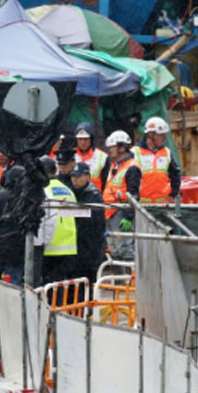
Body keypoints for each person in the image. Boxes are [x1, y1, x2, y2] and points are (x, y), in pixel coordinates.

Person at [38, 156, 78, 285]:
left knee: (48, 286)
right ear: (55, 170)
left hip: (49, 245)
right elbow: (77, 215)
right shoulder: (67, 190)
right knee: (61, 286)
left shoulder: (41, 190)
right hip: (69, 245)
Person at [103, 130, 141, 261]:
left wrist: (128, 216)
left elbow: (134, 194)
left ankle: (129, 279)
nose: (110, 151)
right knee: (114, 249)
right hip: (110, 211)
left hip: (121, 213)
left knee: (125, 250)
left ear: (122, 148)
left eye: (112, 148)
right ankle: (118, 278)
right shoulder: (115, 165)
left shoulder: (131, 167)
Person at [69, 162, 106, 283]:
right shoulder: (70, 194)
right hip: (75, 245)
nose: (75, 180)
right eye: (73, 176)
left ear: (87, 177)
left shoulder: (94, 196)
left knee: (88, 280)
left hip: (90, 247)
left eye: (78, 177)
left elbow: (96, 224)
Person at [132, 116, 181, 204]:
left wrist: (173, 194)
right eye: (161, 134)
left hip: (163, 205)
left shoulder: (166, 152)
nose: (164, 137)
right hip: (141, 206)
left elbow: (176, 174)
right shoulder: (135, 152)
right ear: (151, 134)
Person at [74, 122, 109, 190]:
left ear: (91, 139)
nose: (82, 142)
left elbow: (105, 182)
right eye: (80, 139)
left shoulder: (103, 157)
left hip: (94, 197)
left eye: (85, 139)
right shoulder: (70, 155)